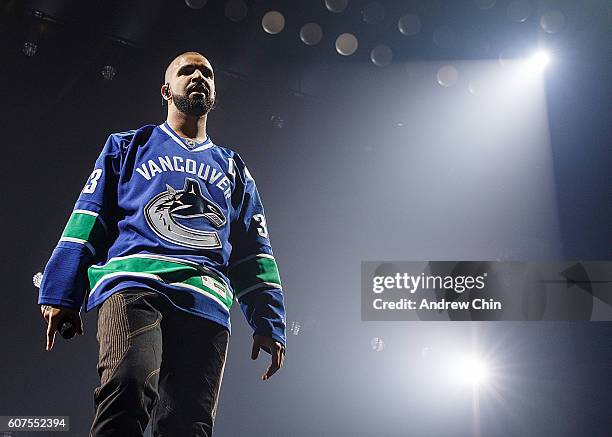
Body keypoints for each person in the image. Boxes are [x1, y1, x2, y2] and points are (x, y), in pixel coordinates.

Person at [38, 51, 286, 437]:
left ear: (215, 92)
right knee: (128, 388)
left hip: (206, 300)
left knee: (189, 425)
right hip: (135, 285)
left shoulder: (234, 167)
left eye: (206, 72)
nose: (198, 76)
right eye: (187, 71)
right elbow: (89, 216)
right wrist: (63, 290)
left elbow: (253, 249)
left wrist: (269, 321)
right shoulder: (128, 146)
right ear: (166, 90)